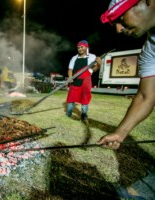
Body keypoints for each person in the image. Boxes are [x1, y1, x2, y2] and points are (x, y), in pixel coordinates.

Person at [98, 0, 155, 199]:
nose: (119, 29)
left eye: (121, 18)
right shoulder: (150, 50)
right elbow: (145, 96)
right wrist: (120, 133)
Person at [65, 40, 101, 121]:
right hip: (74, 80)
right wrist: (70, 77)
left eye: (82, 47)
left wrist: (99, 64)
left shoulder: (92, 57)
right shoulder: (74, 58)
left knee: (85, 98)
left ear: (86, 47)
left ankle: (84, 114)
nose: (80, 49)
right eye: (78, 47)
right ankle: (69, 112)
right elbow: (70, 69)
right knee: (71, 98)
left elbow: (94, 70)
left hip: (86, 80)